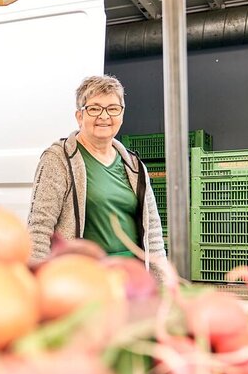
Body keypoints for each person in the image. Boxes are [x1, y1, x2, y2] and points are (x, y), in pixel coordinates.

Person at [26, 75, 167, 271]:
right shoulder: (59, 159)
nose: (104, 116)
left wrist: (162, 286)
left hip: (131, 277)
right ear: (79, 116)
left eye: (112, 109)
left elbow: (153, 234)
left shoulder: (134, 165)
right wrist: (36, 278)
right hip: (84, 276)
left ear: (121, 114)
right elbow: (39, 228)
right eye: (94, 108)